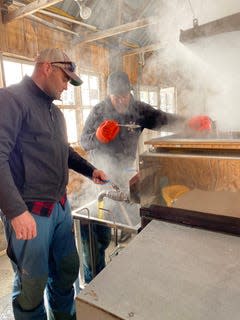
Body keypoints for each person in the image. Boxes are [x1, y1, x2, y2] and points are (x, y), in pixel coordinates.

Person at [0, 48, 108, 320]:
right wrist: (15, 211)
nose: (67, 87)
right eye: (65, 79)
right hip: (29, 212)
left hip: (60, 207)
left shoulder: (55, 113)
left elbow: (65, 151)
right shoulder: (11, 100)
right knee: (32, 284)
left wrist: (91, 170)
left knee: (66, 271)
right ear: (48, 67)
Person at [80, 71, 213, 283]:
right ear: (109, 95)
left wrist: (189, 123)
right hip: (102, 176)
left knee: (138, 218)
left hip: (126, 173)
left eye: (126, 95)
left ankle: (137, 267)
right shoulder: (98, 111)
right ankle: (94, 279)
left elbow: (163, 119)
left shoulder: (138, 109)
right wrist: (98, 136)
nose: (123, 100)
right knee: (98, 233)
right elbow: (84, 141)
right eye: (117, 97)